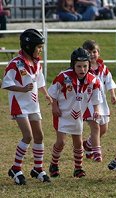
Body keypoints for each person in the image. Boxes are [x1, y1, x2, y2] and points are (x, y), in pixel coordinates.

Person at [1, 29, 52, 185]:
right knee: (28, 136)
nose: (40, 50)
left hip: (33, 104)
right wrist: (22, 89)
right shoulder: (15, 64)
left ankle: (38, 168)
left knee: (39, 136)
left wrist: (46, 95)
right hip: (19, 105)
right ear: (29, 47)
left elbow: (40, 82)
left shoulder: (37, 63)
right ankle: (16, 168)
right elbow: (6, 84)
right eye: (38, 47)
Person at [48, 48, 101, 178]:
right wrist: (54, 106)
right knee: (61, 142)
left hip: (78, 115)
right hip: (62, 114)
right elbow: (53, 93)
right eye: (78, 66)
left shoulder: (93, 81)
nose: (82, 69)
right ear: (73, 65)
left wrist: (97, 110)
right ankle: (54, 164)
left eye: (85, 66)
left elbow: (96, 98)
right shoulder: (64, 76)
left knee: (78, 143)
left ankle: (78, 168)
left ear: (89, 65)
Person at [81, 40, 116, 162]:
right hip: (89, 102)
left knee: (104, 128)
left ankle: (88, 144)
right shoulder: (83, 68)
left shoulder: (103, 68)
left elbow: (109, 82)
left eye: (94, 51)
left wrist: (112, 94)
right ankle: (97, 153)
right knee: (95, 127)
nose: (91, 54)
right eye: (88, 52)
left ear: (98, 53)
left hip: (102, 102)